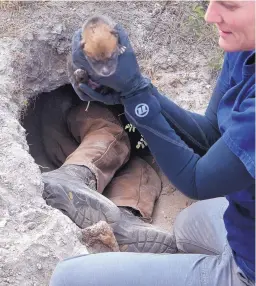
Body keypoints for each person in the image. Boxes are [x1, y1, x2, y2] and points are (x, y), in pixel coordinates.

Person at [49, 0, 255, 285]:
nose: (210, 16)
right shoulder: (247, 46)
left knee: (67, 278)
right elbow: (210, 137)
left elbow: (199, 181)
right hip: (245, 227)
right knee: (186, 227)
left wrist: (135, 95)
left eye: (229, 6)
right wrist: (140, 92)